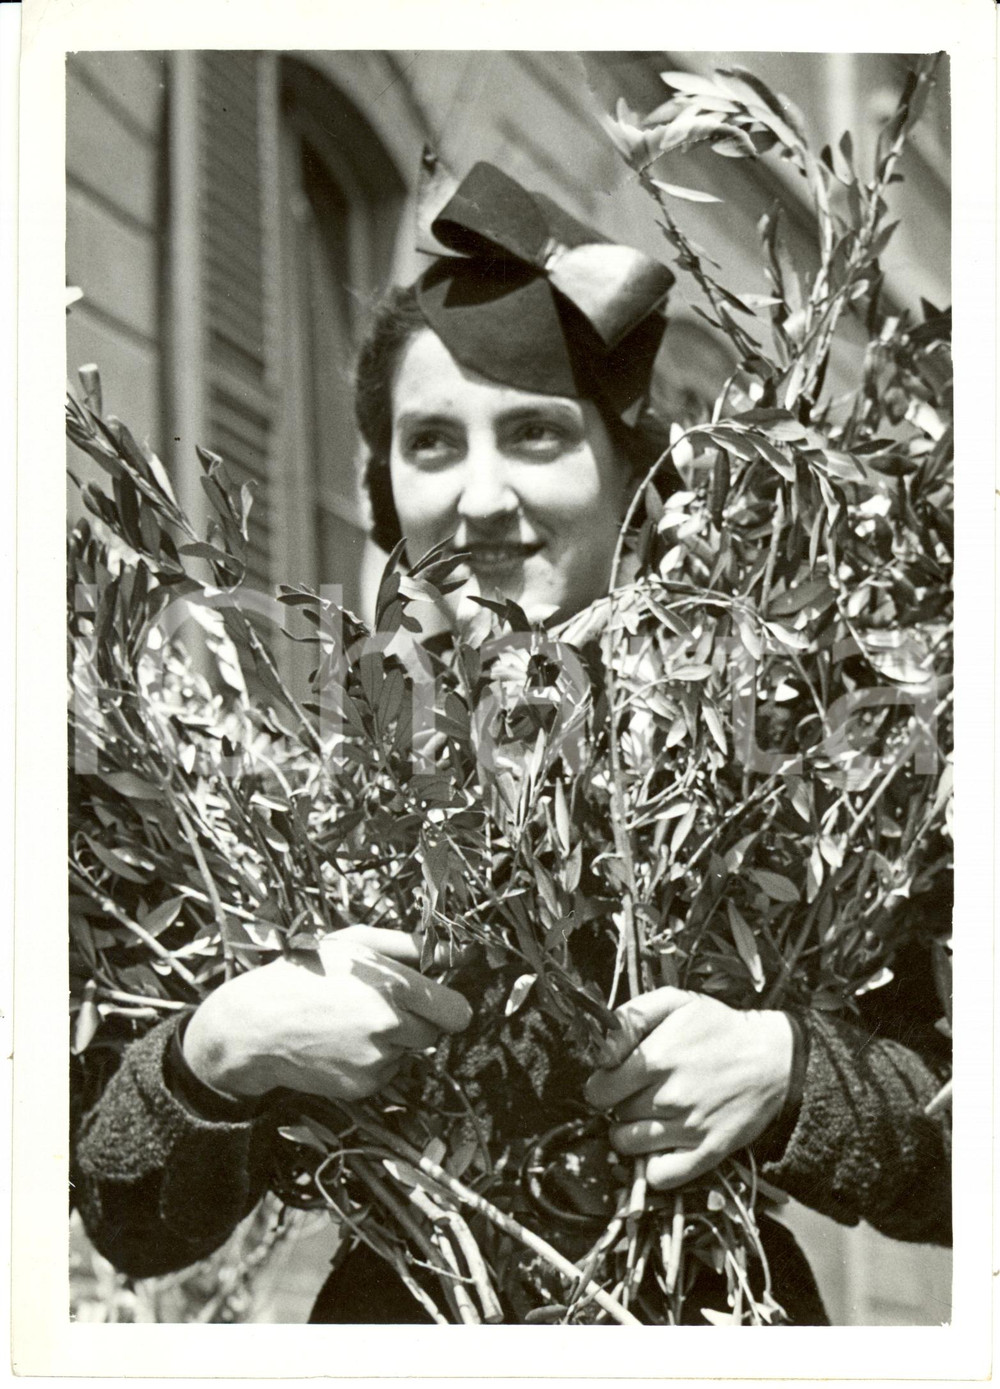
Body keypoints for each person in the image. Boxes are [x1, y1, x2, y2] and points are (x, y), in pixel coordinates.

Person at [71, 159, 951, 1325]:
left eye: (535, 435)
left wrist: (793, 1072)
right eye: (432, 444)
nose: (480, 497)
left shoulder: (795, 762)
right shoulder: (272, 780)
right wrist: (222, 1046)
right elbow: (127, 1218)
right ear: (385, 490)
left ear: (630, 472)